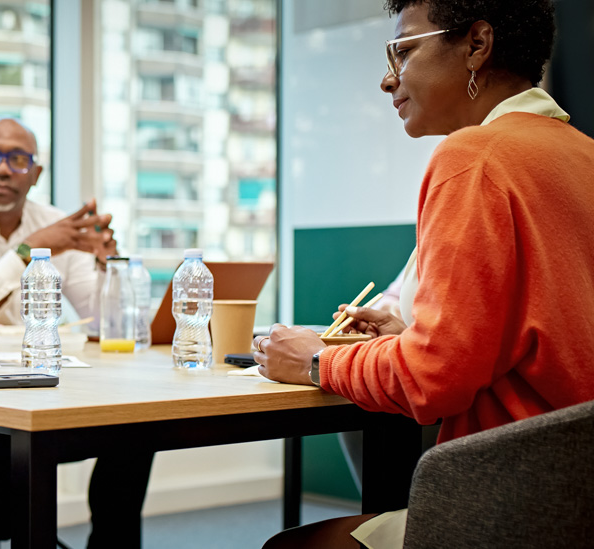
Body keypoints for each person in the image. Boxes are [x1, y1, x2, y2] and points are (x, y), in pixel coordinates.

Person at [254, 1, 594, 547]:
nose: (389, 79)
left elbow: (431, 380)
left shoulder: (474, 158)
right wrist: (408, 335)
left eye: (404, 50)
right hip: (575, 503)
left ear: (476, 46)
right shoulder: (582, 155)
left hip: (505, 504)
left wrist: (318, 361)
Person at [0, 117, 154, 549]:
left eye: (18, 159)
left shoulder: (57, 223)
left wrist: (106, 263)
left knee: (136, 432)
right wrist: (28, 251)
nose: (3, 169)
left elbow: (103, 325)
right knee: (1, 502)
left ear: (35, 173)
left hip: (41, 397)